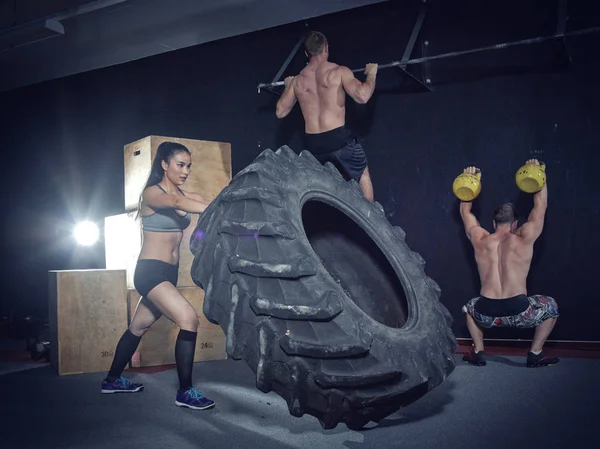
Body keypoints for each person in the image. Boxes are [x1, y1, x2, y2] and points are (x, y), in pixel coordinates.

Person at [101, 141, 216, 410]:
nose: (185, 170)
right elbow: (177, 202)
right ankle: (185, 392)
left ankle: (112, 379)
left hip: (169, 273)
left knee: (138, 327)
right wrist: (206, 206)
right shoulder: (152, 194)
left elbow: (206, 201)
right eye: (180, 164)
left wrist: (231, 201)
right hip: (151, 271)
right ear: (164, 165)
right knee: (188, 319)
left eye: (189, 166)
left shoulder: (183, 194)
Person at [459, 160, 559, 368]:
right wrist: (538, 173)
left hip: (486, 312)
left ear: (494, 224)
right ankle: (535, 353)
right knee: (550, 306)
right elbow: (541, 205)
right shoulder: (524, 237)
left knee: (469, 308)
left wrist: (468, 181)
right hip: (519, 312)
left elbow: (465, 213)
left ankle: (478, 351)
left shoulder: (480, 239)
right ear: (515, 224)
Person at [275, 30, 378, 201]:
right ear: (326, 48)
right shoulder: (338, 71)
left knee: (321, 188)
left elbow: (280, 111)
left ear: (306, 53)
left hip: (314, 145)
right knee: (363, 176)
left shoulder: (297, 81)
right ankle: (371, 222)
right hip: (338, 139)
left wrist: (288, 86)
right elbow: (363, 96)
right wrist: (372, 74)